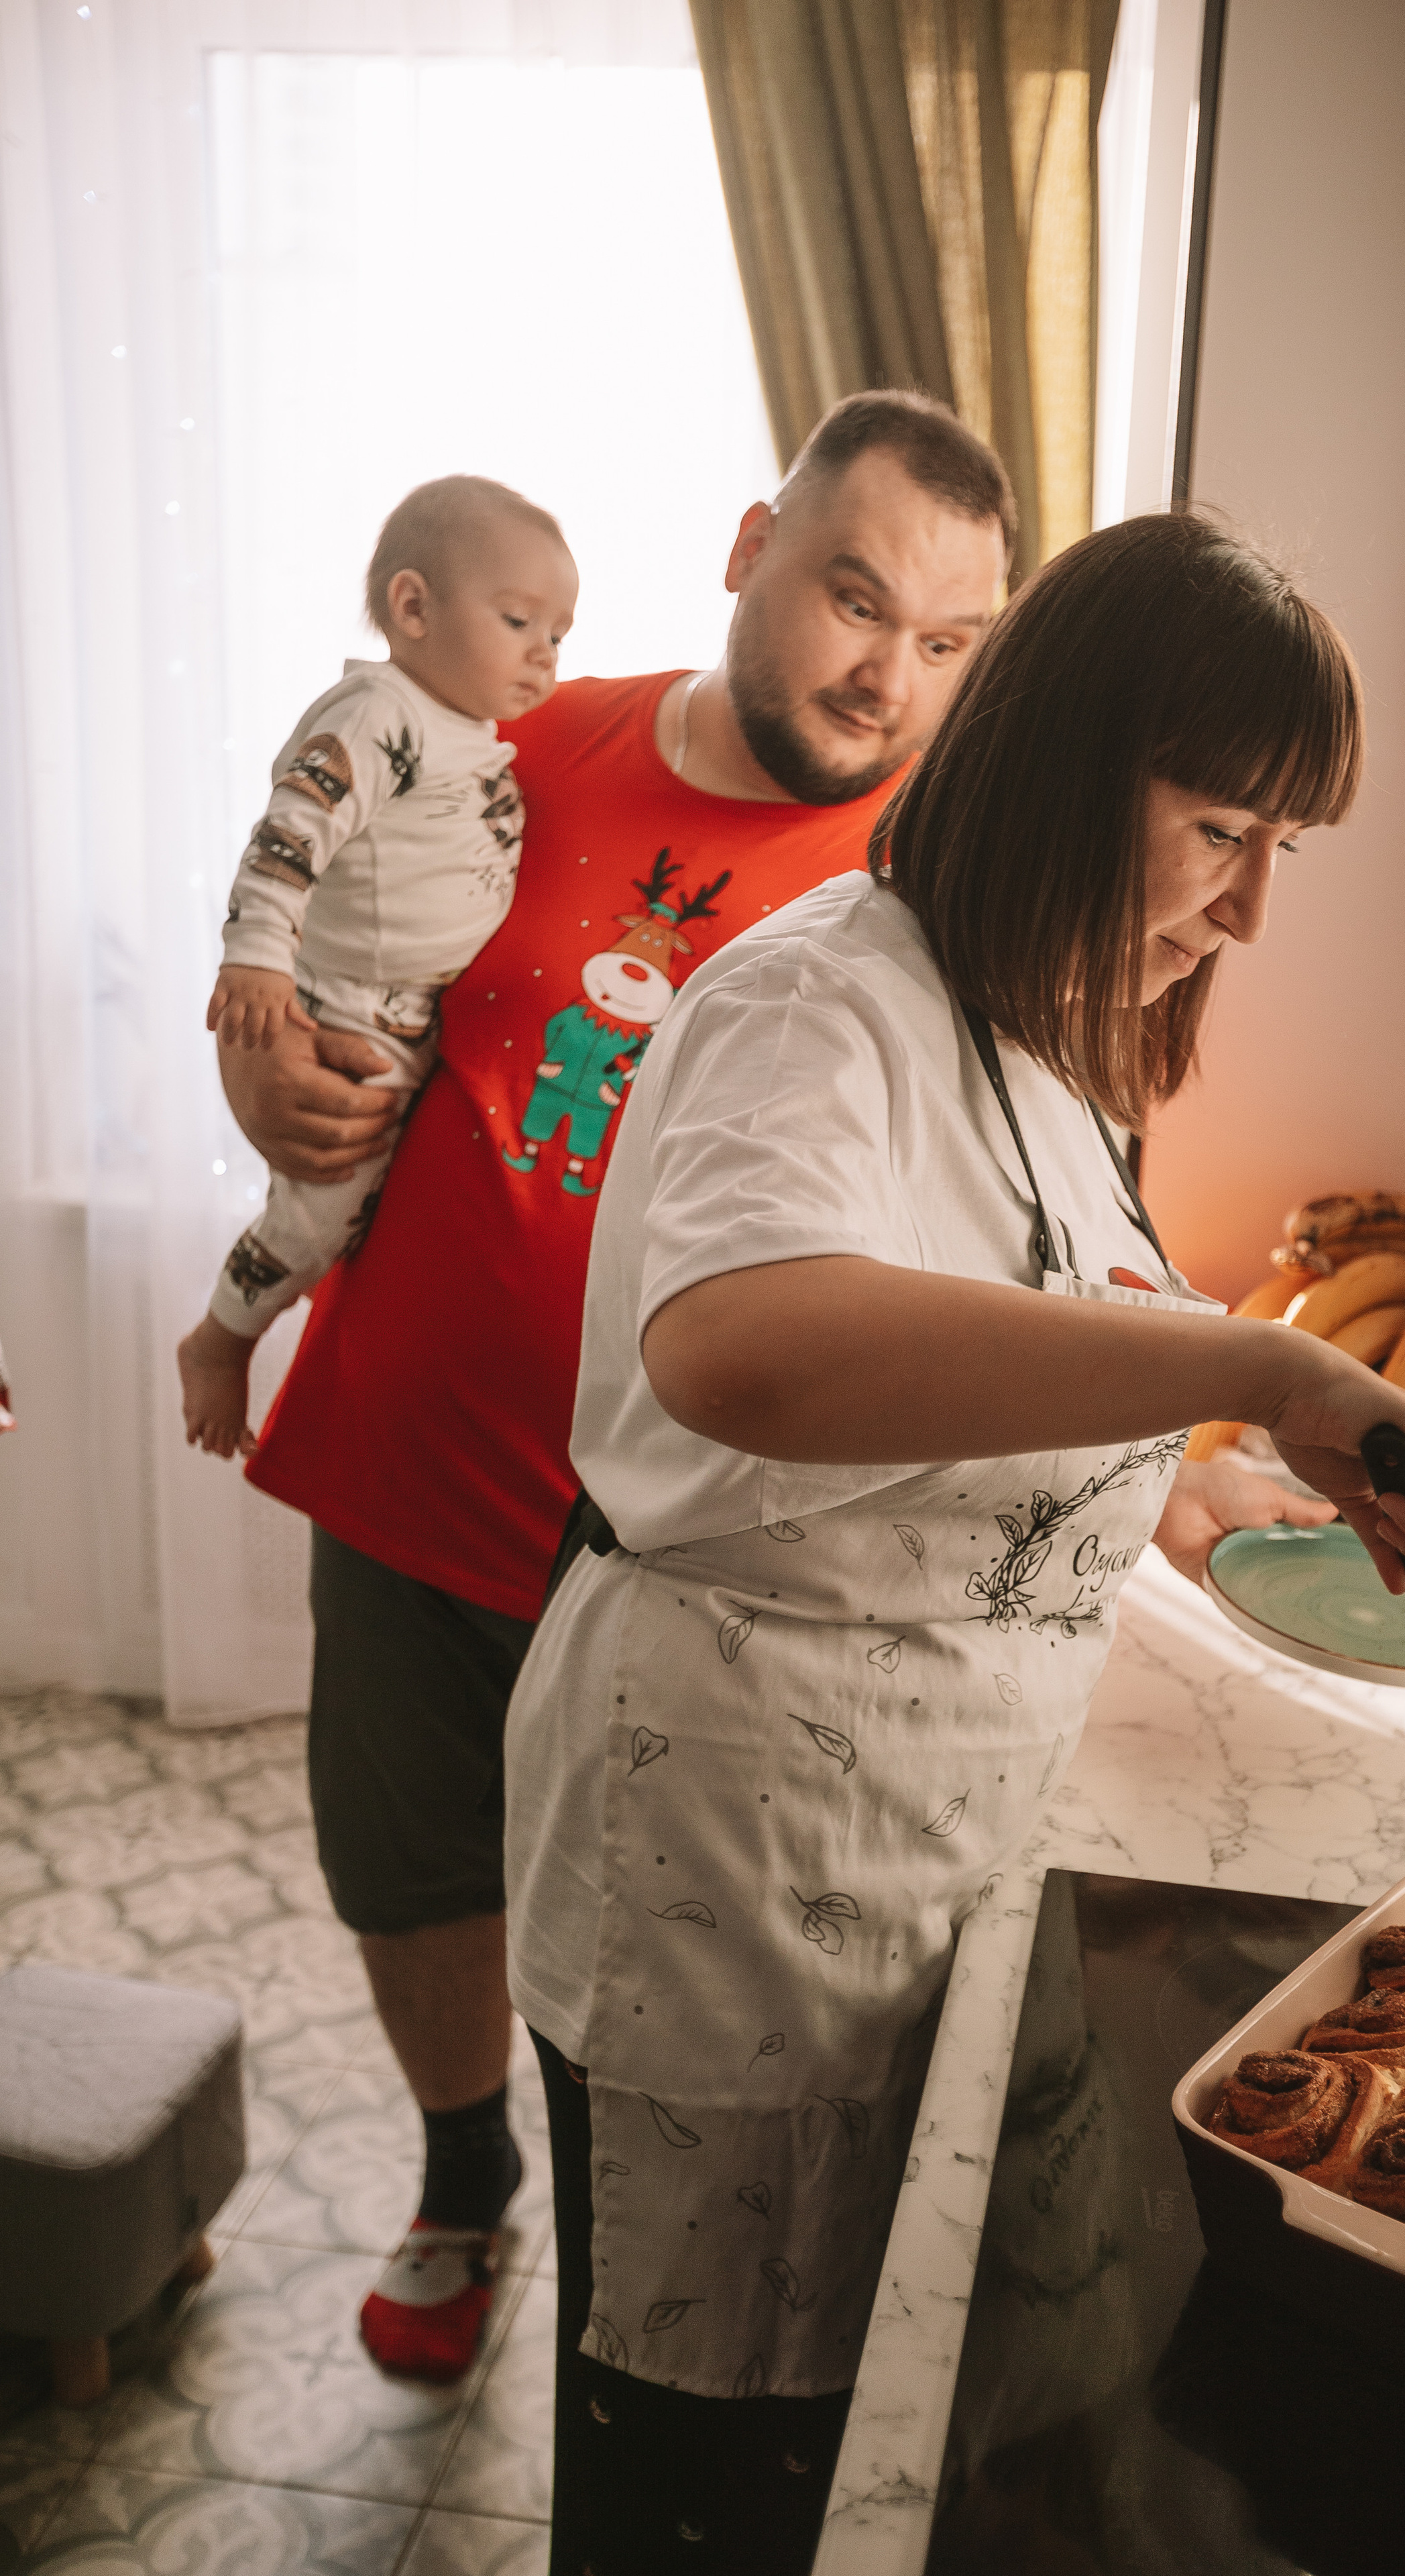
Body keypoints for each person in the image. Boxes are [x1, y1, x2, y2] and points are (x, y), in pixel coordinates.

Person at [502, 508, 1405, 2573]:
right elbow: (750, 1354)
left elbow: (995, 1406)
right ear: (1065, 765)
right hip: (740, 1885)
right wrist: (1256, 1360)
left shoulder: (1039, 1050)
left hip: (898, 1867)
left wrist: (1243, 1478)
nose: (1244, 912)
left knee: (818, 2452)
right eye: (1223, 828)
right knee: (696, 2492)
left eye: (1278, 853)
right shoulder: (825, 1009)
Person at [220, 393, 1019, 2384]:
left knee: (645, 1965)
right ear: (751, 546)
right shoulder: (517, 742)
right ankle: (458, 2169)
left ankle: (608, 2262)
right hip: (407, 1471)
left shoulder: (942, 876)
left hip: (685, 1565)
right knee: (408, 1878)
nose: (887, 673)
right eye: (855, 598)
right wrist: (260, 1076)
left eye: (947, 642)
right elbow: (323, 969)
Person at [178, 476, 579, 1458]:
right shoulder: (381, 713)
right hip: (346, 1008)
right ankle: (222, 1338)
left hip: (414, 1012)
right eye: (521, 619)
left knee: (377, 1224)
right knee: (319, 1217)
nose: (546, 653)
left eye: (560, 633)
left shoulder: (471, 733)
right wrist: (260, 960)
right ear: (413, 608)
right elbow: (291, 834)